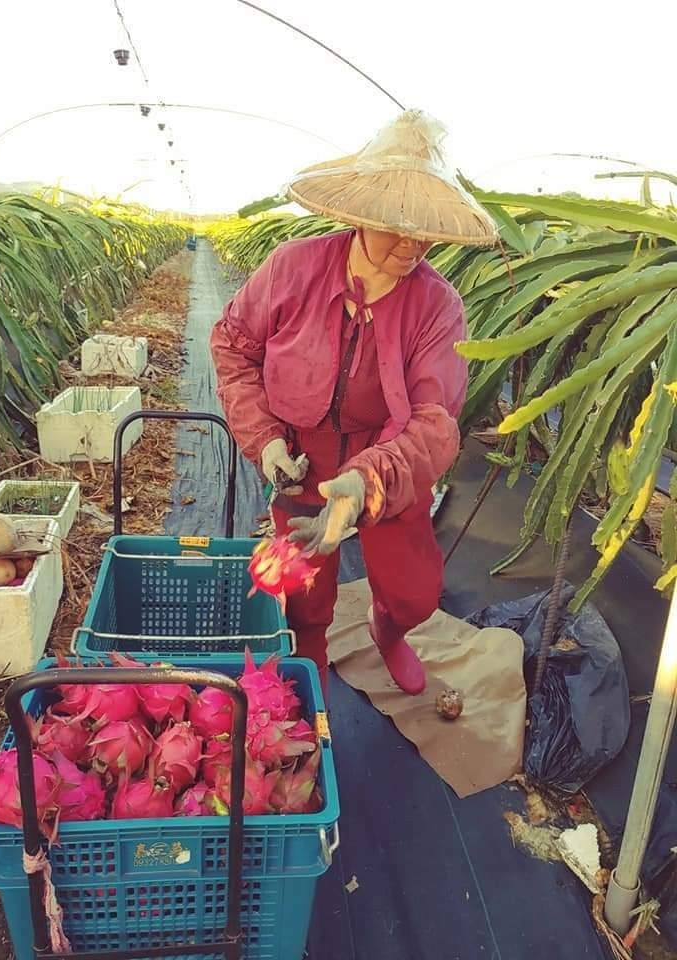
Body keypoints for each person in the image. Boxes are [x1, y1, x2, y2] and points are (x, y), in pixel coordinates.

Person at [211, 110, 496, 696]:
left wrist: (365, 484)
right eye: (396, 223)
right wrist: (264, 441)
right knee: (307, 593)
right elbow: (233, 346)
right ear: (362, 216)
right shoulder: (292, 268)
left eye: (425, 226)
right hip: (298, 459)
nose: (413, 240)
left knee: (414, 592)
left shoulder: (437, 306)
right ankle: (307, 680)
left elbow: (435, 421)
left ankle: (389, 631)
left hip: (388, 458)